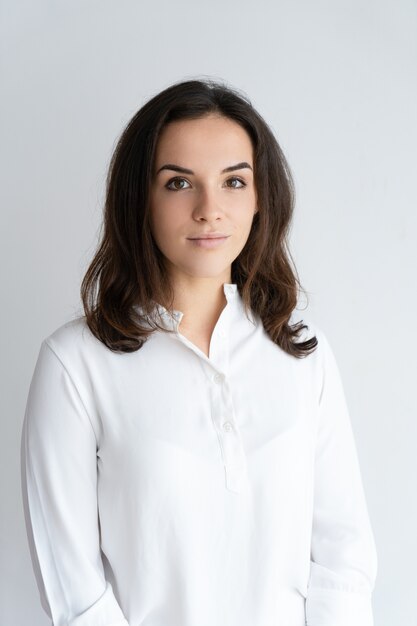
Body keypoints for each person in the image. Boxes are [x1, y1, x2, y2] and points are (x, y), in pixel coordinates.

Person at [20, 78, 378, 626]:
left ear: (261, 198)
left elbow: (343, 558)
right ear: (140, 198)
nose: (210, 209)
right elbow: (73, 588)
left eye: (234, 181)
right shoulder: (76, 364)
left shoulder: (303, 354)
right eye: (179, 183)